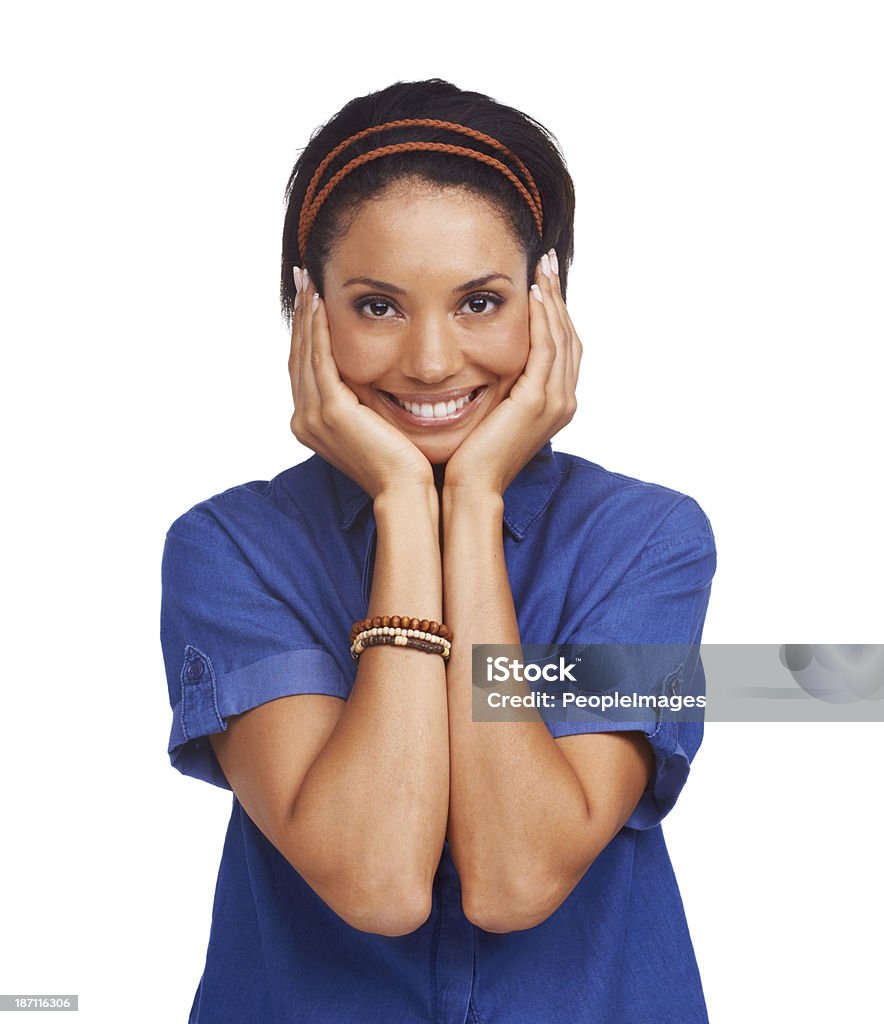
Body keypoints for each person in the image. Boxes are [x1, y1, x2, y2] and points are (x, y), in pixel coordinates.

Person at [160, 78, 717, 1024]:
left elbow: (515, 878)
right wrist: (405, 507)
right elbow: (378, 881)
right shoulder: (232, 550)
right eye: (377, 306)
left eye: (479, 302)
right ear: (308, 313)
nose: (428, 361)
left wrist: (473, 503)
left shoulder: (647, 543)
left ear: (548, 305)